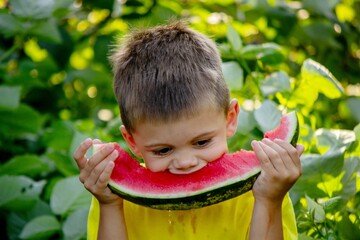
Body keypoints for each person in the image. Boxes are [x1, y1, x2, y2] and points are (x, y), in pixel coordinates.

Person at [73, 21, 304, 240]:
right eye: (163, 150)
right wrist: (110, 205)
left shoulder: (265, 189)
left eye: (202, 143)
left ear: (230, 118)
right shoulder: (117, 197)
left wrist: (268, 202)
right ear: (132, 141)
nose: (185, 162)